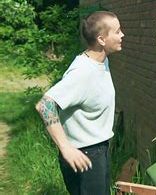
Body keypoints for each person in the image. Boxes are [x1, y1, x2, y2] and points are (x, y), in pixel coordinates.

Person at [35, 11, 124, 194]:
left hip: (99, 150)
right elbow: (45, 105)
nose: (122, 35)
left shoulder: (100, 60)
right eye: (117, 31)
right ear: (101, 39)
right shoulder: (83, 72)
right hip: (84, 155)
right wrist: (66, 148)